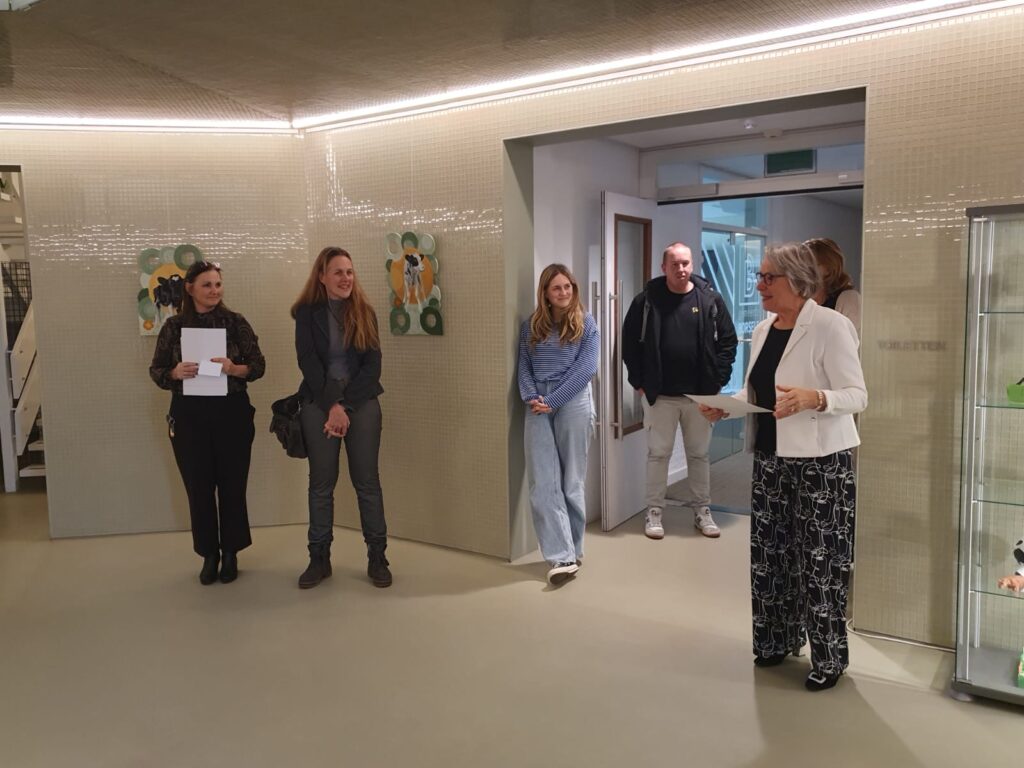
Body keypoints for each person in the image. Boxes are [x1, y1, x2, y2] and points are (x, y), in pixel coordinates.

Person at [701, 241, 867, 692]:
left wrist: (816, 398)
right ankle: (776, 641)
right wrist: (725, 406)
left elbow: (858, 395)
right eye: (759, 276)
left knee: (820, 564)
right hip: (771, 460)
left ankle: (829, 659)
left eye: (767, 277)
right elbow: (757, 393)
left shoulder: (830, 325)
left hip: (822, 464)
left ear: (797, 280)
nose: (759, 285)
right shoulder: (763, 329)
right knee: (771, 558)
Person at [149, 261, 265, 585]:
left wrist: (233, 368)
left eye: (218, 284)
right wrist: (175, 373)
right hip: (189, 416)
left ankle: (231, 553)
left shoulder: (236, 322)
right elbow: (156, 370)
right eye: (207, 285)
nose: (215, 291)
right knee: (198, 488)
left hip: (232, 413)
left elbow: (258, 366)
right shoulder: (173, 327)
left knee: (232, 485)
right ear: (190, 288)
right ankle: (208, 554)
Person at [622, 242, 737, 540]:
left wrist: (718, 380)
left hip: (700, 397)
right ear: (664, 267)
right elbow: (629, 344)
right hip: (660, 396)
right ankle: (654, 511)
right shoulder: (646, 301)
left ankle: (702, 510)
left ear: (692, 264)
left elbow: (728, 341)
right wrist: (639, 382)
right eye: (674, 264)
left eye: (685, 263)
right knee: (658, 454)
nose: (681, 269)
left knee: (699, 455)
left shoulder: (710, 300)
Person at [291, 246, 391, 589]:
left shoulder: (365, 312)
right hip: (319, 401)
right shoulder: (306, 314)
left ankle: (377, 557)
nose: (346, 278)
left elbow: (373, 366)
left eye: (349, 271)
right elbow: (308, 362)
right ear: (322, 276)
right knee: (321, 484)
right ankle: (319, 559)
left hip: (361, 402)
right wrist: (332, 405)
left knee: (368, 483)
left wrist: (344, 406)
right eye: (338, 272)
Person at [517, 264, 599, 586]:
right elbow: (524, 366)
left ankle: (572, 550)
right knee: (542, 483)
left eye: (567, 287)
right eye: (556, 288)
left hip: (573, 401)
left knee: (571, 482)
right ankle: (560, 557)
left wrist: (555, 399)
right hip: (537, 403)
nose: (563, 292)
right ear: (546, 294)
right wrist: (532, 397)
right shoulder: (530, 326)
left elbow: (586, 369)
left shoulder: (586, 323)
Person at [805, 237, 861, 334]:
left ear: (828, 269)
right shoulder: (800, 299)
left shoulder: (849, 298)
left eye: (810, 265)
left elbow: (849, 339)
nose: (802, 270)